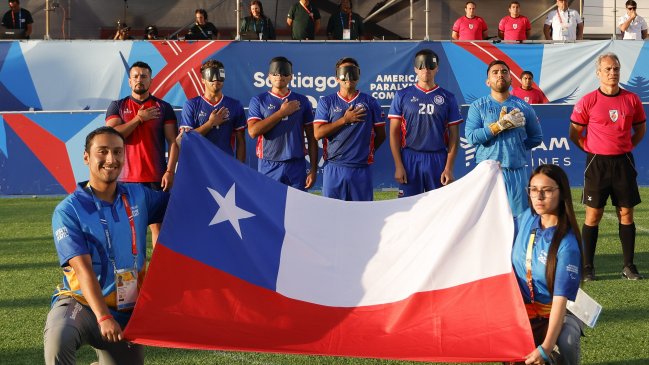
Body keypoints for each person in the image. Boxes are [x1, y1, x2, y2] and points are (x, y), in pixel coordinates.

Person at [44, 127, 169, 365]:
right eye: (102, 152)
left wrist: (191, 156)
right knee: (59, 338)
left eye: (117, 152)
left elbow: (182, 201)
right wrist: (102, 317)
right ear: (86, 157)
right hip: (83, 305)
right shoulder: (68, 210)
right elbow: (82, 269)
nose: (111, 159)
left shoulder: (138, 196)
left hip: (126, 313)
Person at [569, 52, 646, 281]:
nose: (613, 73)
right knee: (594, 215)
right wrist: (591, 148)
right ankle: (588, 267)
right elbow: (574, 133)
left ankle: (628, 266)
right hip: (597, 164)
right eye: (608, 69)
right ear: (598, 73)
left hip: (623, 163)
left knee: (626, 213)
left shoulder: (632, 99)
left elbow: (640, 129)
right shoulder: (588, 100)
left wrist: (624, 147)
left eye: (616, 69)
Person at [512, 164, 583, 365]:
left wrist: (546, 348)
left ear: (561, 193)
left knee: (567, 340)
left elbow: (560, 301)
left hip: (554, 312)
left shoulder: (567, 244)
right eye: (533, 190)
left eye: (547, 190)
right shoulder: (525, 219)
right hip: (522, 312)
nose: (539, 197)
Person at [105, 61, 178, 248]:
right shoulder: (117, 106)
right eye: (136, 76)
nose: (140, 80)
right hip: (127, 180)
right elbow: (111, 135)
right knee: (130, 230)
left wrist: (170, 171)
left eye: (144, 76)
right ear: (129, 81)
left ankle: (158, 275)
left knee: (158, 229)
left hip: (156, 177)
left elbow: (173, 141)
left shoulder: (163, 108)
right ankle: (133, 274)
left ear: (151, 80)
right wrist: (139, 119)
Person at [465, 60, 543, 217]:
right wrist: (498, 126)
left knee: (518, 220)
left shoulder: (524, 107)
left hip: (516, 172)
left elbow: (536, 137)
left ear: (511, 80)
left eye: (504, 72)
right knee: (487, 220)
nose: (500, 74)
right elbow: (471, 137)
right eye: (495, 72)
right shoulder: (478, 106)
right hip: (487, 173)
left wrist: (517, 147)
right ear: (488, 82)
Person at [388, 49, 463, 198]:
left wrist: (449, 168)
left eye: (430, 65)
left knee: (439, 208)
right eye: (421, 65)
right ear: (415, 68)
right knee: (408, 208)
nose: (425, 69)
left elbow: (454, 136)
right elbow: (394, 133)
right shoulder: (402, 95)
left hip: (437, 159)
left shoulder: (448, 97)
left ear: (437, 68)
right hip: (410, 158)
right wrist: (398, 165)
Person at [313, 57, 386, 201]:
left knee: (361, 216)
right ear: (337, 78)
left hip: (361, 169)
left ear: (358, 75)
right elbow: (318, 133)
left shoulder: (370, 102)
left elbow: (381, 135)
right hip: (334, 168)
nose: (348, 77)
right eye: (344, 72)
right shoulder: (326, 102)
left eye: (352, 72)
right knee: (332, 214)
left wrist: (365, 152)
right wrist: (344, 120)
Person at [247, 56, 318, 191]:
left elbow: (312, 136)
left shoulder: (302, 101)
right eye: (275, 73)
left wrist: (313, 169)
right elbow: (253, 132)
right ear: (269, 76)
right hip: (269, 164)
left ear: (291, 77)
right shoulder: (258, 100)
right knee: (269, 207)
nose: (280, 76)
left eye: (285, 73)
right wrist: (281, 113)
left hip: (296, 164)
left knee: (297, 209)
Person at [180, 60, 246, 162]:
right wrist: (211, 123)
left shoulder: (235, 105)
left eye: (219, 75)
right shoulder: (191, 105)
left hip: (225, 164)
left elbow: (241, 141)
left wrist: (240, 169)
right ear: (203, 80)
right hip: (200, 164)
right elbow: (185, 139)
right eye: (211, 76)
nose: (216, 79)